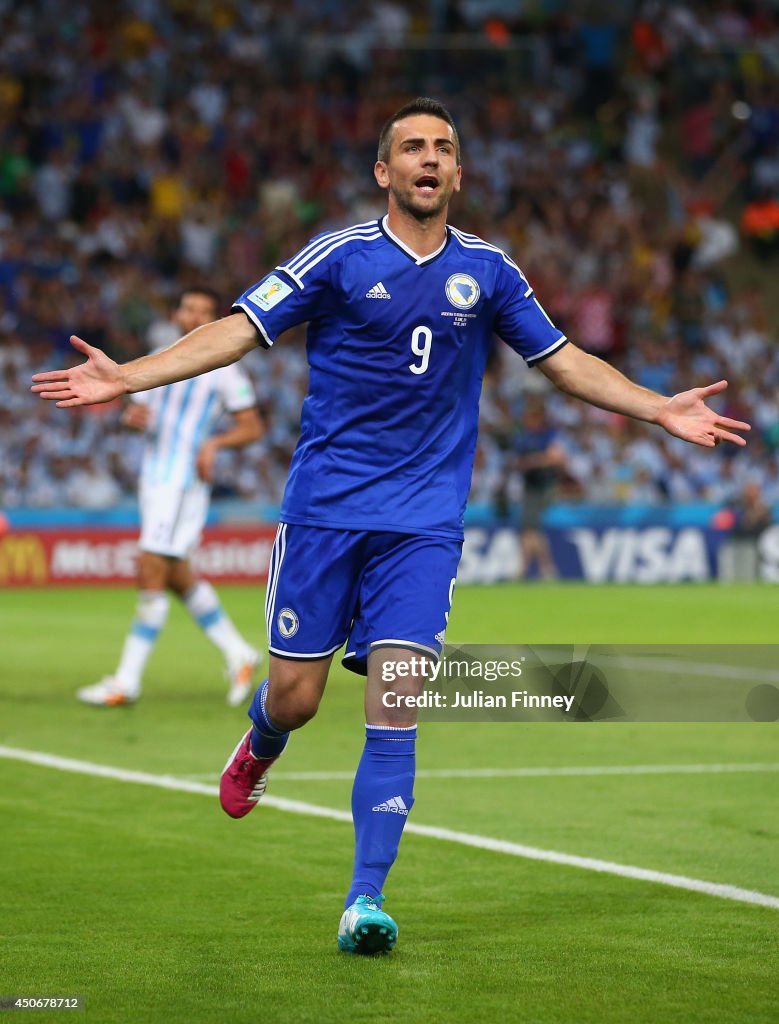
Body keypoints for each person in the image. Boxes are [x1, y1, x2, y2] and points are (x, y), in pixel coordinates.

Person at [32, 98, 750, 955]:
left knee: (396, 702)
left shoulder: (488, 272)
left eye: (443, 148)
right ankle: (260, 740)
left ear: (457, 172)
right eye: (411, 147)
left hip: (422, 526)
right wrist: (133, 379)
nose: (428, 158)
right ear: (384, 171)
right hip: (326, 513)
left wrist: (655, 409)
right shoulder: (337, 257)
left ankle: (362, 901)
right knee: (296, 699)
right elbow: (234, 328)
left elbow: (562, 363)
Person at [75, 287, 264, 708]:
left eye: (204, 311)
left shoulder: (225, 367)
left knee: (150, 566)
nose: (194, 315)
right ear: (177, 312)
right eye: (188, 307)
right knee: (176, 572)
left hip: (181, 482)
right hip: (153, 478)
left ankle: (127, 680)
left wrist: (213, 445)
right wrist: (131, 419)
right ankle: (239, 653)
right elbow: (137, 414)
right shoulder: (158, 359)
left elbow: (252, 427)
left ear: (215, 319)